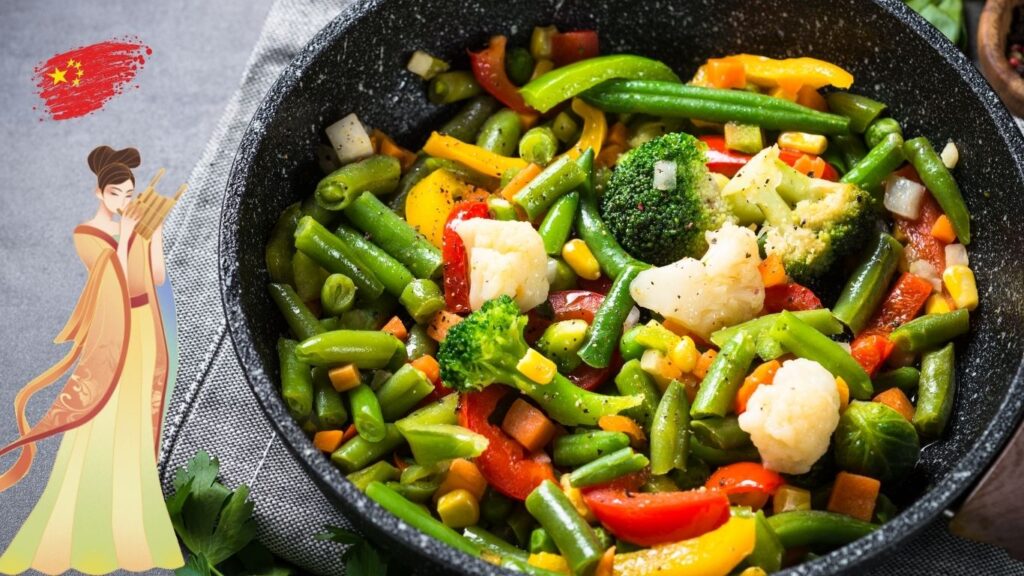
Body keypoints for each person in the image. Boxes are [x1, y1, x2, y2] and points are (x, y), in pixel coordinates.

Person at [0, 146, 183, 573]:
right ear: (100, 193)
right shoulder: (87, 234)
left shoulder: (133, 230)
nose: (125, 201)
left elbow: (155, 278)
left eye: (129, 193)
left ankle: (135, 534)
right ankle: (75, 534)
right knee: (103, 425)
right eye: (117, 193)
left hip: (143, 327)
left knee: (136, 426)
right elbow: (112, 281)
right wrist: (127, 237)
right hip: (114, 334)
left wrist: (152, 237)